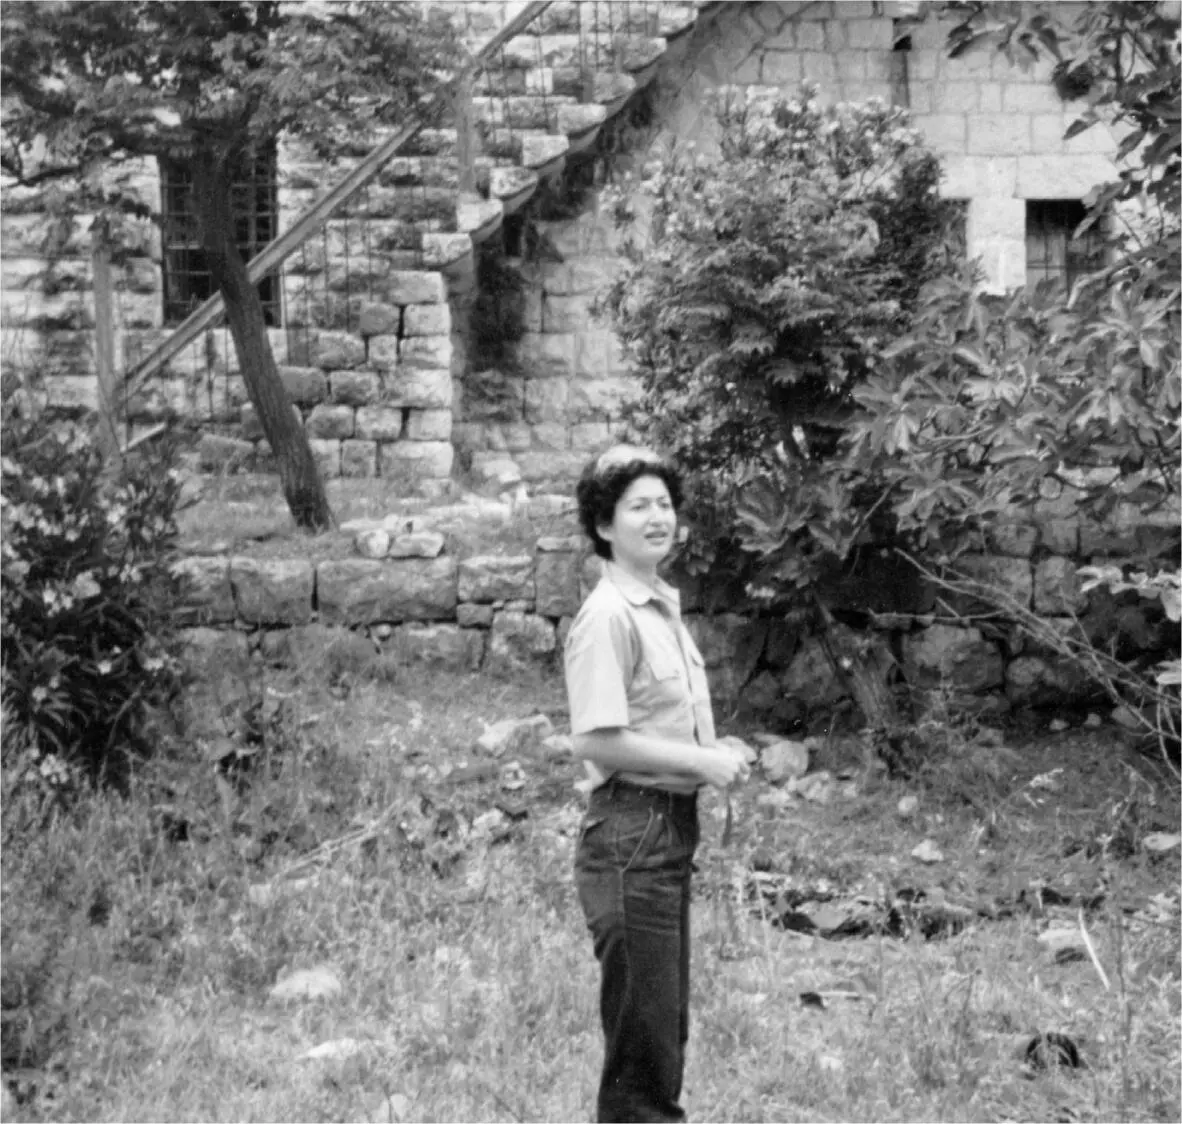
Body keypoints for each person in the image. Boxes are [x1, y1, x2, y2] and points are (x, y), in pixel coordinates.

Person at [565, 444, 749, 1123]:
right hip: (630, 834)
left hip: (664, 828)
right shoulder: (608, 615)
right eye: (637, 506)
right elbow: (595, 738)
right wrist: (703, 764)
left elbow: (652, 724)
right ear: (604, 526)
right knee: (644, 1054)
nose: (657, 517)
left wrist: (712, 749)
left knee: (661, 1036)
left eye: (664, 505)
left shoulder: (657, 609)